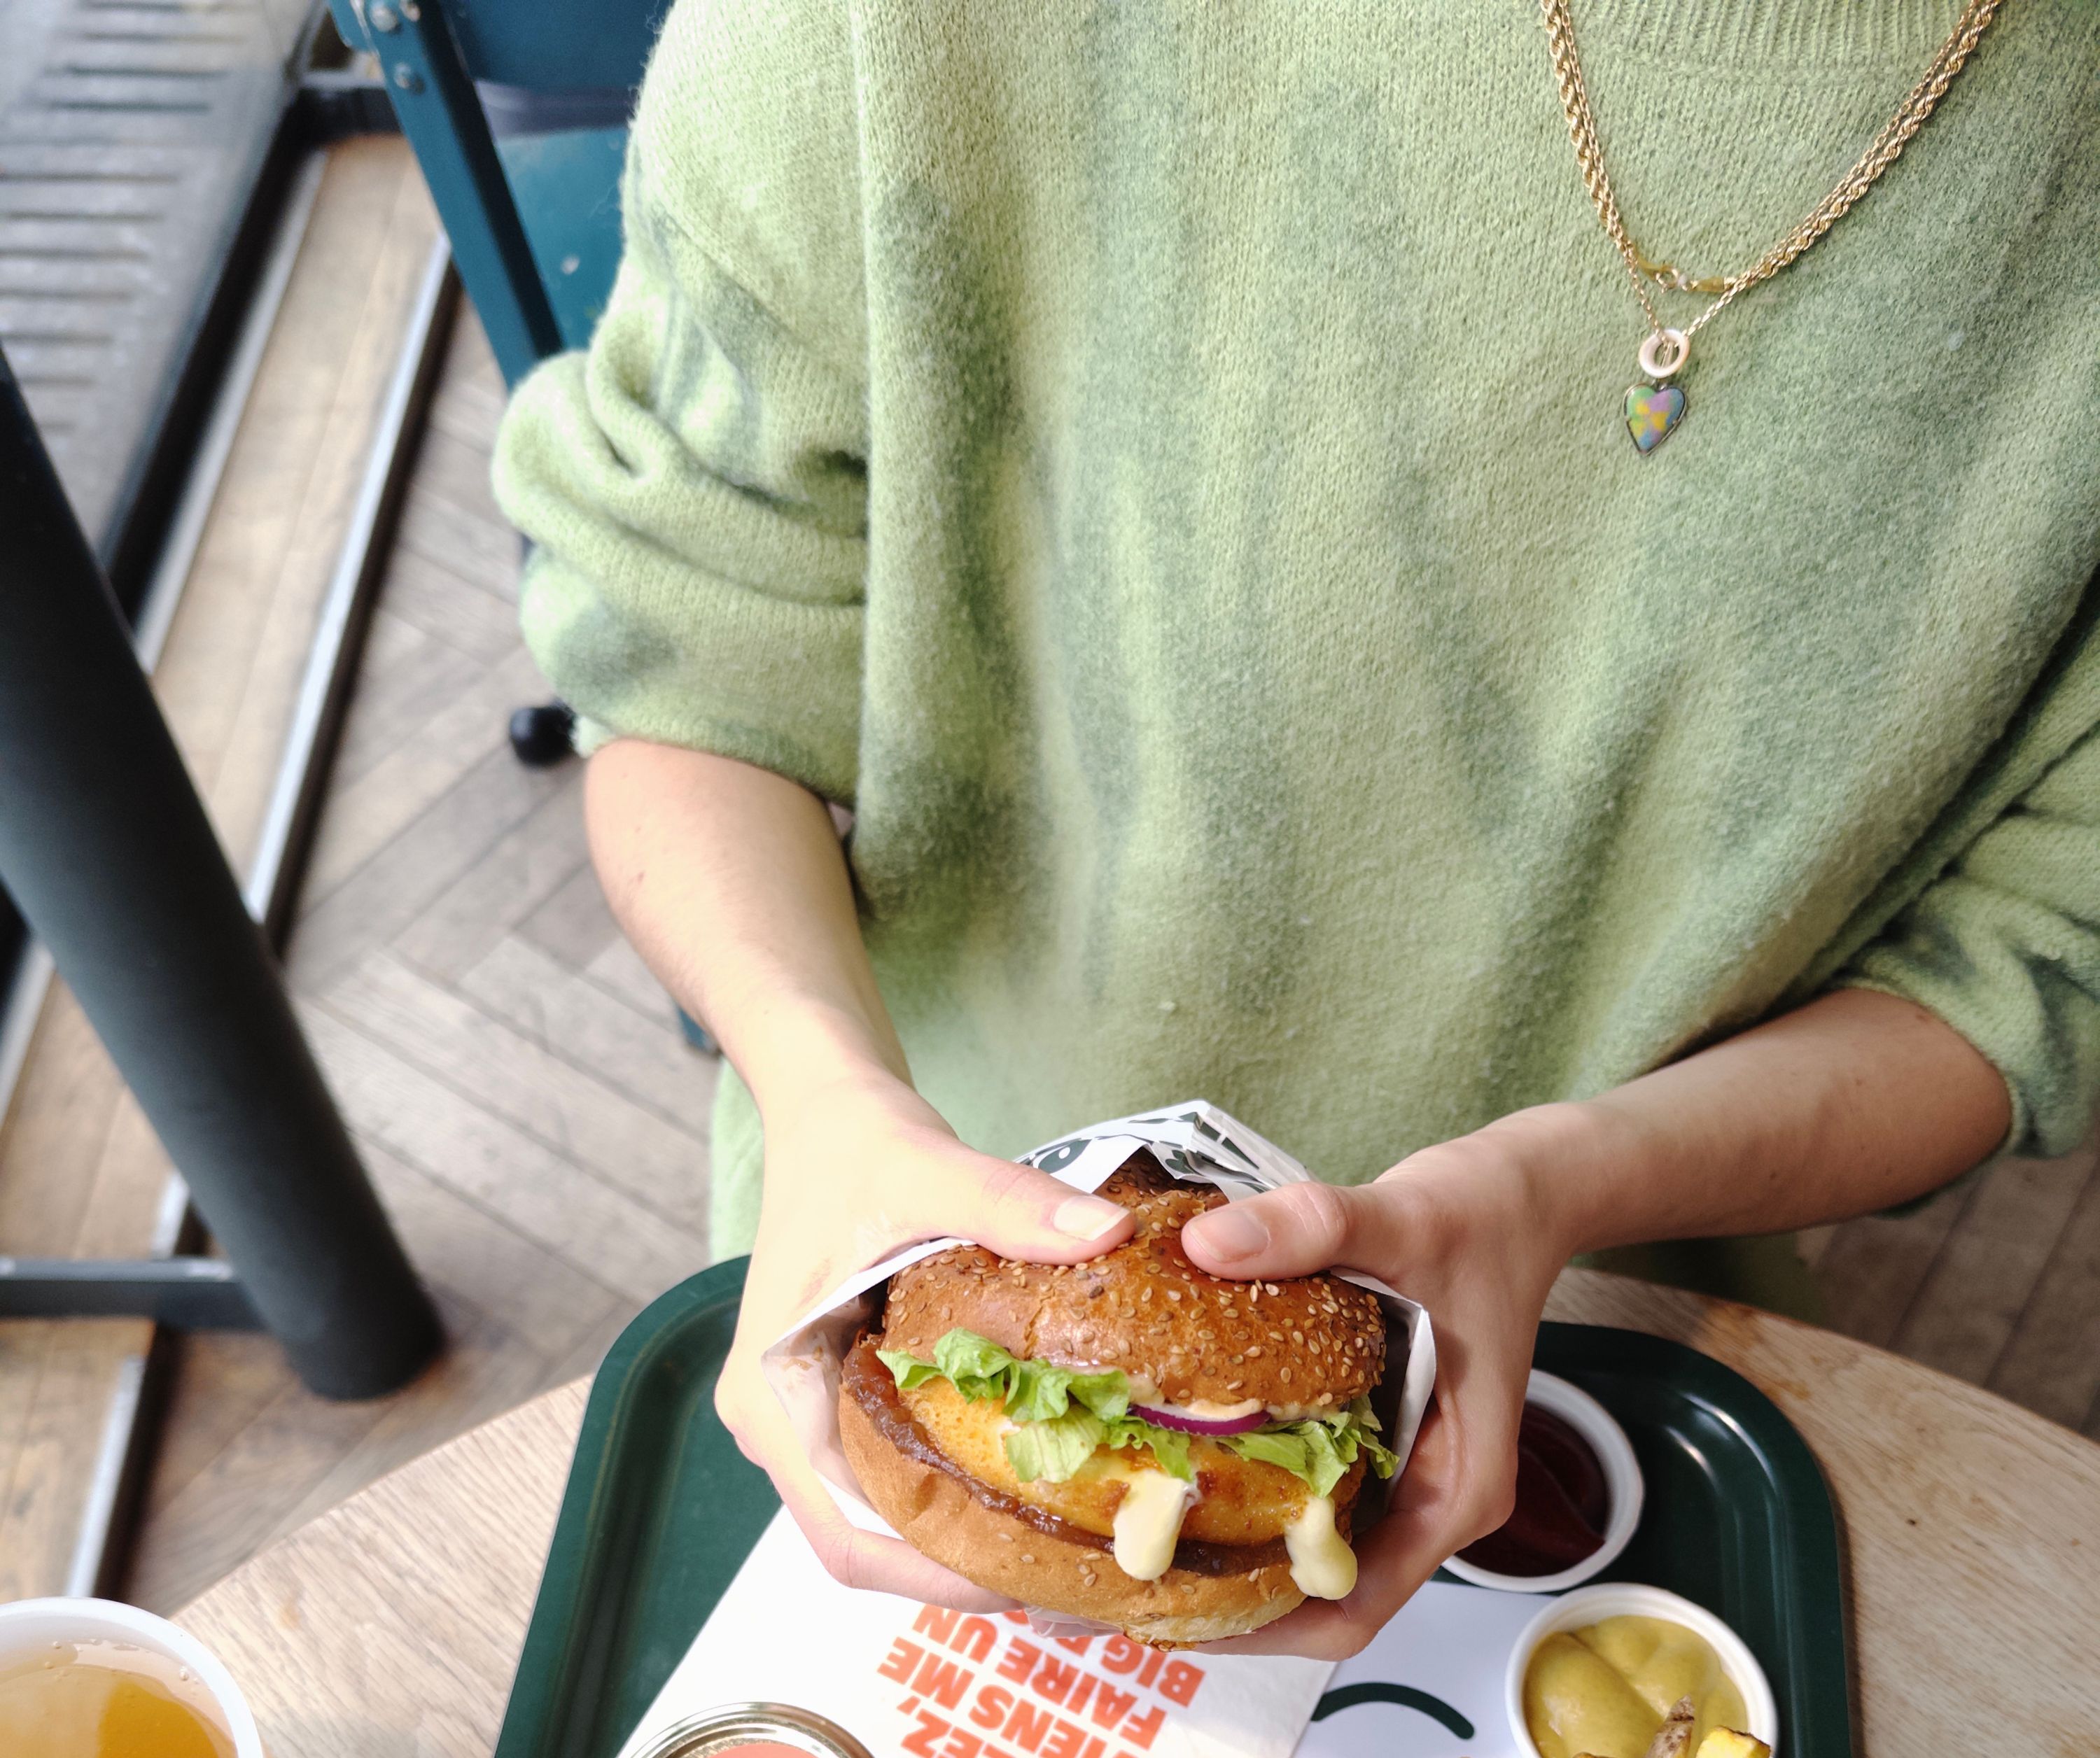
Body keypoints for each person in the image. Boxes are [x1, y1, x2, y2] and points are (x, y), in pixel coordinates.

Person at [494, 0, 2100, 1655]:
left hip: (1626, 1337)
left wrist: (1551, 1188)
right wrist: (819, 1079)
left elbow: (2037, 969)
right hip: (879, 1264)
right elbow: (678, 661)